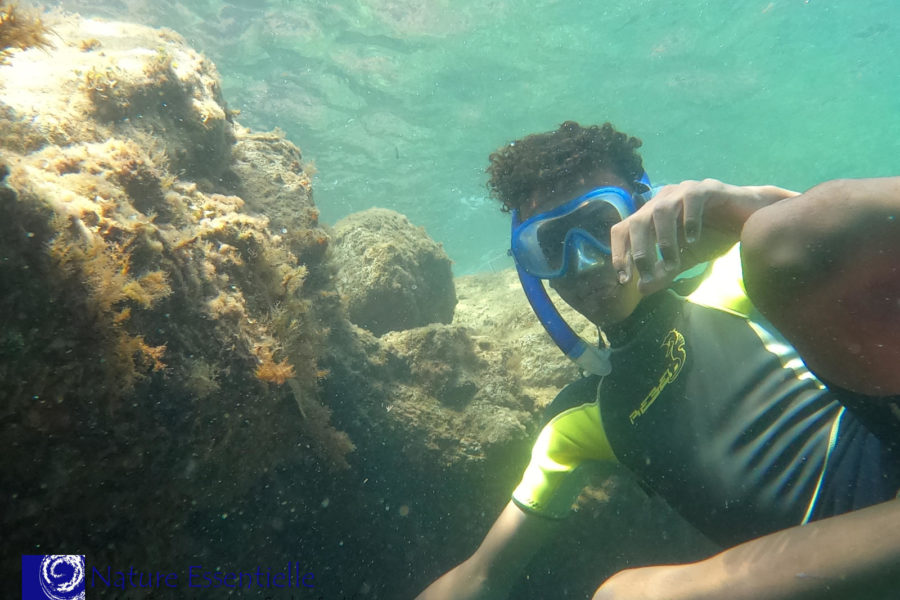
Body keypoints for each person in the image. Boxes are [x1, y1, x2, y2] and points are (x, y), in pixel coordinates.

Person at [413, 121, 900, 600]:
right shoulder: (577, 421)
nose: (583, 262)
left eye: (600, 226)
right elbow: (481, 577)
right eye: (551, 246)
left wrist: (747, 207)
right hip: (833, 576)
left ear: (644, 209)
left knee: (776, 234)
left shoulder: (732, 276)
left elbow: (842, 238)